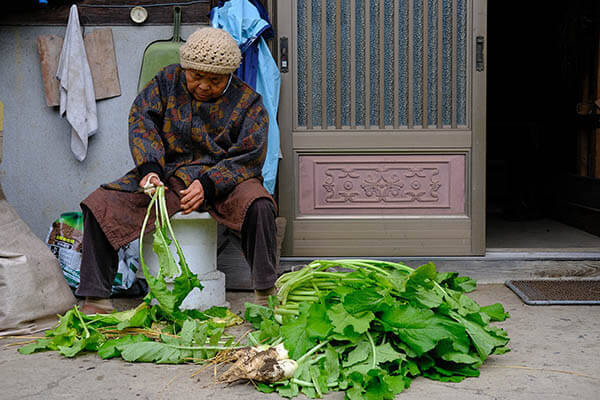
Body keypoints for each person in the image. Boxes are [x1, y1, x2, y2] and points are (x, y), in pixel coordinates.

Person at [76, 27, 278, 314]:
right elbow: (142, 121)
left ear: (230, 75)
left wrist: (209, 184)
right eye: (196, 76)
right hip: (169, 176)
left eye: (215, 80)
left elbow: (249, 155)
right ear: (185, 67)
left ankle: (265, 290)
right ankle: (95, 298)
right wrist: (149, 169)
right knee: (100, 204)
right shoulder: (165, 82)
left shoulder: (248, 103)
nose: (204, 86)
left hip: (225, 181)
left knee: (260, 204)